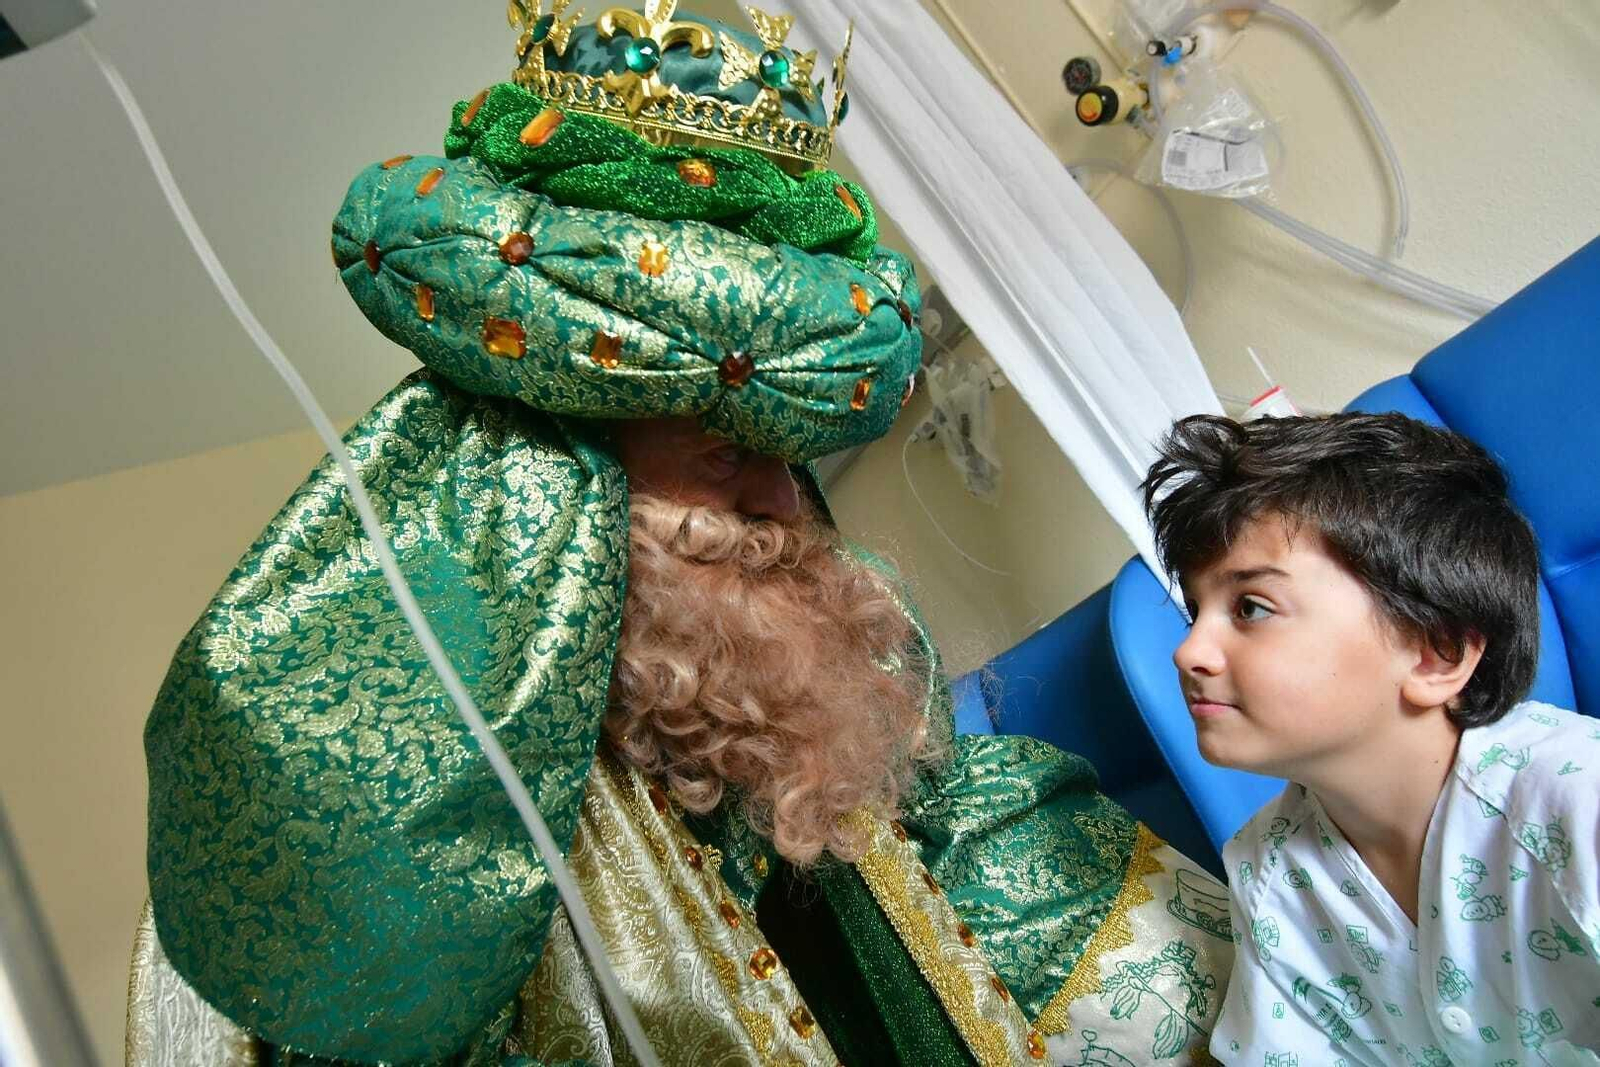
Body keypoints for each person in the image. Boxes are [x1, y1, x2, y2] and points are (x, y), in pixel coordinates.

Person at [125, 5, 1232, 1064]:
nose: (785, 504)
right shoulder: (409, 790)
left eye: (785, 457)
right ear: (562, 488)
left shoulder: (769, 629)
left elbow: (912, 836)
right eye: (725, 454)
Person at [1142, 412, 1599, 1065]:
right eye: (1195, 610)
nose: (1189, 650)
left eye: (1251, 607)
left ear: (1436, 653)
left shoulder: (1578, 799)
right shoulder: (1271, 872)